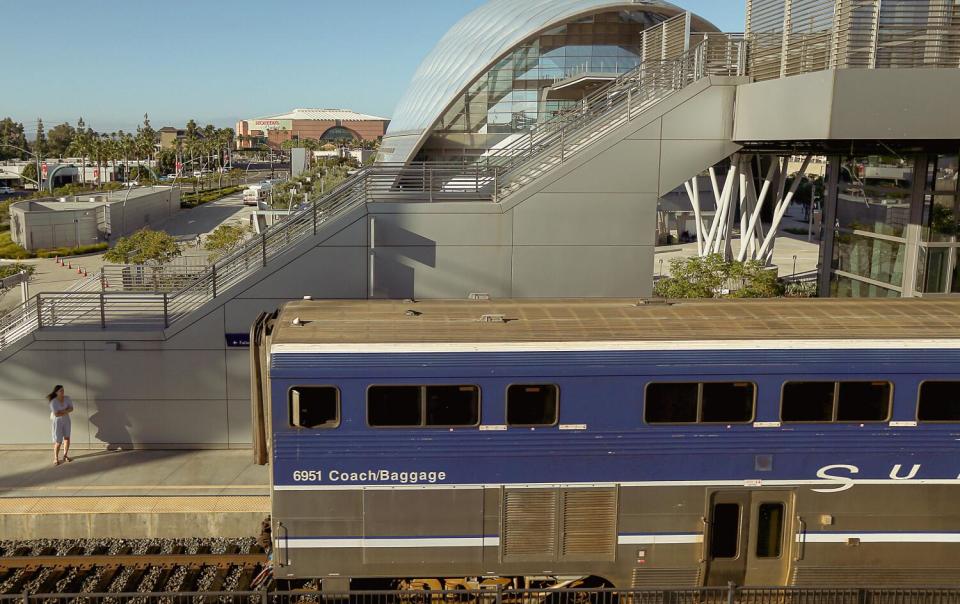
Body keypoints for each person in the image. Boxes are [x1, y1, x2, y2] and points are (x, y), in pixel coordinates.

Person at [48, 385, 74, 465]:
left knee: (67, 438)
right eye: (60, 391)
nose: (62, 392)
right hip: (57, 422)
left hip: (66, 420)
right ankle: (56, 458)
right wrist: (66, 411)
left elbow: (72, 408)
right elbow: (56, 414)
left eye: (63, 390)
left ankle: (65, 455)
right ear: (56, 392)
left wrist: (62, 412)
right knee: (58, 441)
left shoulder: (67, 398)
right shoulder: (53, 402)